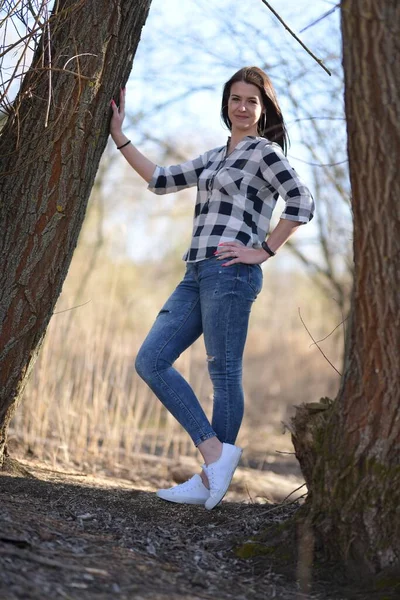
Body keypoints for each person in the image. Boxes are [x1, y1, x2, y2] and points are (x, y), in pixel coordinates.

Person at [110, 66, 314, 510]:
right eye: (236, 99)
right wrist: (119, 136)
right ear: (226, 104)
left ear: (263, 110)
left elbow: (302, 201)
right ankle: (215, 457)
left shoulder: (265, 153)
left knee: (223, 372)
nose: (242, 107)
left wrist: (264, 250)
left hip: (231, 272)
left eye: (251, 101)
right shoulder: (214, 156)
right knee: (152, 359)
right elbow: (161, 180)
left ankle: (210, 478)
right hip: (196, 271)